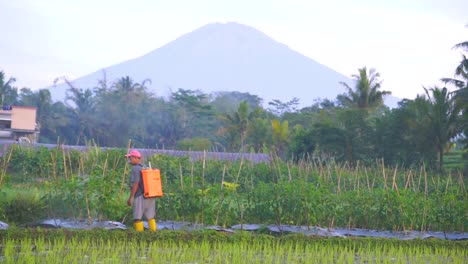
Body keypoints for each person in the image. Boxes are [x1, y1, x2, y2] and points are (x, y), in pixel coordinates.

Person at [125, 149, 157, 232]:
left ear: (136, 158)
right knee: (150, 217)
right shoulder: (145, 167)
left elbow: (136, 183)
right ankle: (154, 234)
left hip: (140, 196)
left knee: (137, 218)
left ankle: (139, 236)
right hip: (150, 195)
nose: (129, 160)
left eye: (130, 158)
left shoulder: (135, 169)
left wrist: (131, 197)